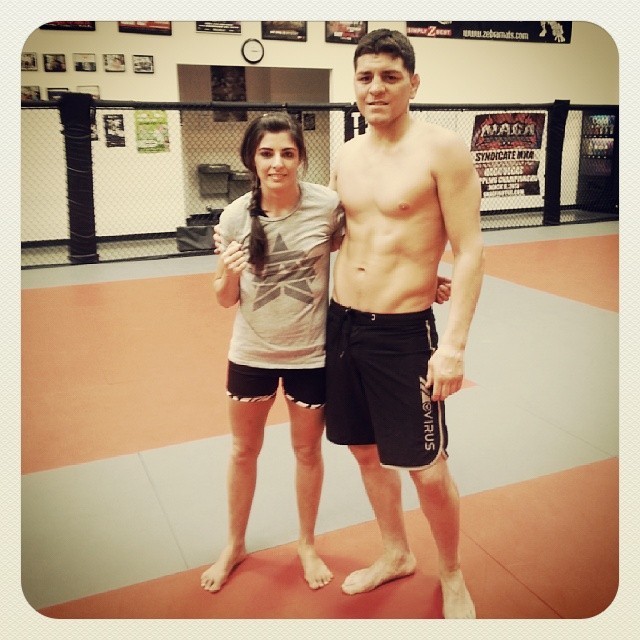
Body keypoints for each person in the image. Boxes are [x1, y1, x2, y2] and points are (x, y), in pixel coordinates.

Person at [325, 29, 484, 618]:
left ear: (413, 83)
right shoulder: (347, 153)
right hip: (342, 327)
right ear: (354, 83)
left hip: (402, 336)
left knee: (427, 470)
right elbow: (341, 237)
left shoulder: (443, 150)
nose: (376, 88)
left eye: (390, 77)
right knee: (364, 452)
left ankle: (452, 572)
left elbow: (470, 250)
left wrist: (454, 346)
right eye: (365, 77)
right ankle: (395, 552)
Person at [200, 112, 344, 592]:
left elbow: (365, 252)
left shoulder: (327, 206)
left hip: (311, 355)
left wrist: (425, 278)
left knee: (307, 451)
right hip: (251, 353)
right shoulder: (234, 216)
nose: (277, 163)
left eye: (287, 153)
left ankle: (306, 543)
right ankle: (234, 544)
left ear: (301, 158)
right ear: (252, 159)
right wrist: (231, 271)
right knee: (243, 450)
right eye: (266, 153)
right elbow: (224, 299)